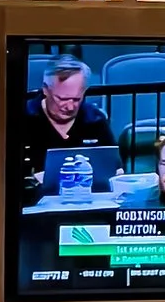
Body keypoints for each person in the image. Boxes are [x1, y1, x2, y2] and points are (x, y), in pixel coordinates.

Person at [20, 49, 114, 203]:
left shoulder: (96, 120)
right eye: (62, 99)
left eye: (76, 99)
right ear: (46, 89)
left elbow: (114, 167)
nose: (70, 107)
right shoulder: (22, 119)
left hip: (87, 205)